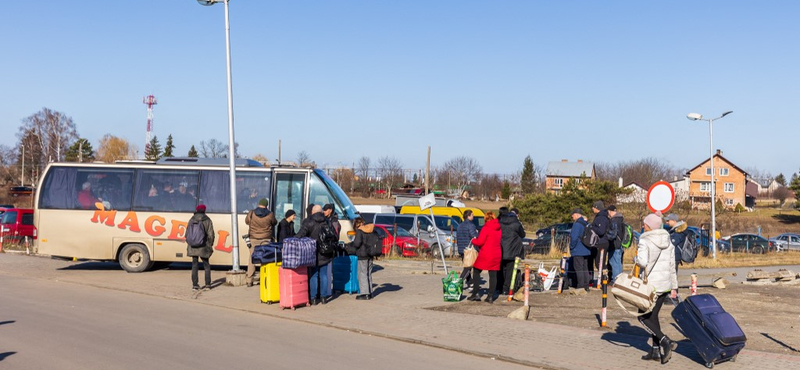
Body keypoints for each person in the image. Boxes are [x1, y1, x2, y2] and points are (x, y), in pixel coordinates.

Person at [636, 213, 678, 363]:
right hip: (664, 285)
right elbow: (672, 265)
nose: (643, 226)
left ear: (649, 226)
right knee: (653, 317)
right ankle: (654, 350)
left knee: (642, 317)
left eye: (644, 223)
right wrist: (674, 286)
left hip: (651, 286)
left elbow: (642, 262)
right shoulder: (668, 240)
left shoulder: (644, 240)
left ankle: (665, 341)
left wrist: (635, 258)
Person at [296, 204, 333, 305]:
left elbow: (301, 234)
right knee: (324, 275)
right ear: (321, 211)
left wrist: (293, 239)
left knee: (313, 275)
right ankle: (324, 297)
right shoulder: (327, 221)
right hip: (325, 251)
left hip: (312, 252)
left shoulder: (309, 221)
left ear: (312, 211)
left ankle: (313, 298)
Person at [467, 212, 501, 303]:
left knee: (476, 271)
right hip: (496, 254)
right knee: (493, 275)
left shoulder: (486, 228)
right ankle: (490, 296)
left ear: (486, 219)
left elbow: (480, 242)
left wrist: (473, 240)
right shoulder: (499, 229)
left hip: (486, 253)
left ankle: (475, 293)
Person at [244, 198, 277, 287]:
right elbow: (274, 222)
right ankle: (264, 278)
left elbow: (247, 222)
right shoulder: (270, 214)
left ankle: (249, 280)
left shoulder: (251, 213)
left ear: (259, 204)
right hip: (266, 239)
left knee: (252, 259)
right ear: (266, 205)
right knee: (265, 259)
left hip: (253, 238)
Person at [347, 217, 380, 300]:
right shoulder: (371, 230)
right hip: (370, 254)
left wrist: (349, 246)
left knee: (362, 274)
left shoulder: (360, 231)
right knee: (368, 273)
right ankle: (370, 292)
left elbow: (357, 244)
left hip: (362, 255)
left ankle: (364, 293)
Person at [498, 207, 526, 297]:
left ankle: (499, 288)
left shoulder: (500, 222)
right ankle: (506, 289)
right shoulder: (516, 223)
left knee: (501, 269)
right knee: (510, 271)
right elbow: (523, 235)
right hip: (512, 250)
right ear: (516, 215)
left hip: (501, 249)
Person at [187, 204, 215, 291]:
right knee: (206, 265)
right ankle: (208, 285)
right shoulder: (207, 220)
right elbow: (211, 235)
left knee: (194, 265)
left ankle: (195, 285)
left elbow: (187, 233)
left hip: (193, 246)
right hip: (204, 246)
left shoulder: (191, 219)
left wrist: (191, 242)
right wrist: (210, 244)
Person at [588, 200, 610, 286]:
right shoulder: (600, 216)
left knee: (599, 262)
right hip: (600, 242)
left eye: (593, 207)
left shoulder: (601, 218)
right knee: (598, 262)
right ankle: (602, 279)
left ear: (597, 208)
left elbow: (601, 231)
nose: (592, 208)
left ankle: (604, 278)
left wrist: (592, 228)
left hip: (601, 243)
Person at [569, 208, 591, 292]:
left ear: (577, 214)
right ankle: (586, 285)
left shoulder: (577, 224)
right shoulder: (585, 223)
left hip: (578, 249)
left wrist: (571, 246)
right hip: (586, 249)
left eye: (573, 214)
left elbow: (574, 237)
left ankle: (580, 285)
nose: (572, 216)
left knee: (578, 268)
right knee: (585, 267)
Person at [457, 209, 479, 287]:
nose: (473, 216)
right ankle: (459, 282)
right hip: (469, 249)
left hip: (461, 248)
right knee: (468, 267)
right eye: (472, 215)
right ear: (468, 216)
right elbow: (474, 236)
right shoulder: (471, 225)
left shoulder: (460, 225)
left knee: (467, 265)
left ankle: (470, 282)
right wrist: (477, 232)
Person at [607, 205, 625, 283]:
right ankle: (618, 279)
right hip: (620, 243)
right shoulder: (620, 219)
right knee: (617, 262)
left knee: (615, 263)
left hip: (615, 244)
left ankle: (616, 280)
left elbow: (613, 234)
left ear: (610, 211)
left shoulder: (614, 220)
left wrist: (607, 236)